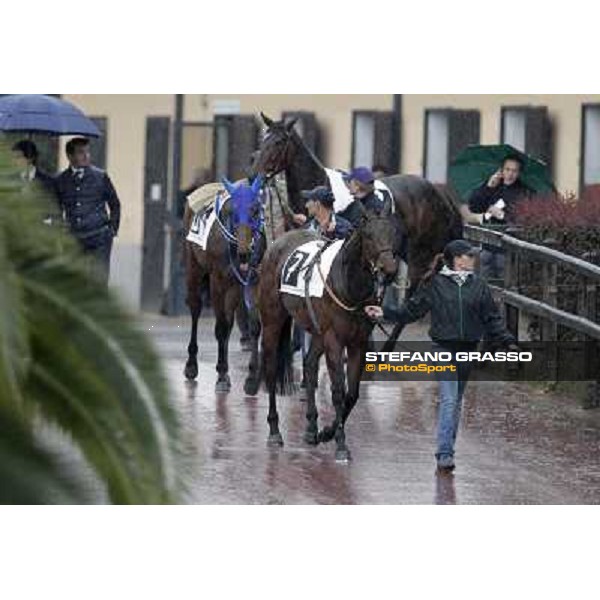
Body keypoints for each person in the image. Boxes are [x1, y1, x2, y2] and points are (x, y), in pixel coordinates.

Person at [364, 239, 518, 473]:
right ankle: (444, 453)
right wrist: (385, 311)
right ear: (457, 259)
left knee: (455, 402)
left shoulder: (479, 286)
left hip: (468, 350)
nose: (473, 260)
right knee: (448, 399)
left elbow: (492, 318)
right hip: (442, 349)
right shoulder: (434, 284)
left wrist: (508, 341)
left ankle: (448, 448)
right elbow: (411, 311)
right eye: (469, 256)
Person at [55, 137, 121, 286]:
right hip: (73, 238)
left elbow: (115, 204)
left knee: (99, 281)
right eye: (80, 152)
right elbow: (56, 207)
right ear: (70, 156)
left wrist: (112, 230)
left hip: (99, 236)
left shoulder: (100, 176)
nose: (86, 156)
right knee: (73, 282)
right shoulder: (60, 180)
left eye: (87, 152)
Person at [468, 155, 532, 280]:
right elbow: (474, 206)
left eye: (514, 171)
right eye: (507, 169)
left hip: (507, 247)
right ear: (501, 170)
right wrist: (488, 187)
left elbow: (524, 218)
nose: (510, 174)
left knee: (504, 282)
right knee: (483, 283)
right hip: (487, 243)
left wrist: (502, 215)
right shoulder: (493, 185)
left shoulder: (524, 192)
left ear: (519, 173)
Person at [11, 140, 61, 224]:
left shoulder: (48, 182)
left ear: (30, 158)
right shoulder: (11, 180)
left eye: (18, 157)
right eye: (13, 157)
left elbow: (55, 211)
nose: (14, 161)